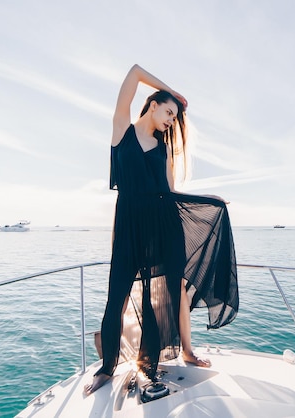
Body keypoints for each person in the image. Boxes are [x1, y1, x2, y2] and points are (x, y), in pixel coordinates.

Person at [84, 64, 238, 395]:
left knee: (157, 306)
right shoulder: (121, 130)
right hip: (127, 228)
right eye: (168, 112)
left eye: (174, 116)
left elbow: (169, 195)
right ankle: (106, 368)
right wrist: (175, 91)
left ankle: (148, 367)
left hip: (159, 228)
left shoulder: (163, 149)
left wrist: (207, 200)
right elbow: (134, 73)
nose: (170, 120)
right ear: (152, 105)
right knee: (116, 300)